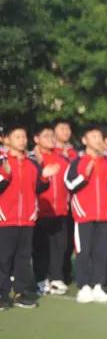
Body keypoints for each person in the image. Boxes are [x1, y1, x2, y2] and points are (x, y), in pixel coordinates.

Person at [0, 126, 50, 309]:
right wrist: (4, 174)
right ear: (7, 140)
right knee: (3, 258)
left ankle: (21, 293)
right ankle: (2, 294)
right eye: (17, 136)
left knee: (23, 258)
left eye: (24, 136)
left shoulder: (32, 164)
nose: (22, 140)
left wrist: (44, 178)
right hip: (5, 219)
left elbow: (38, 188)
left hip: (27, 219)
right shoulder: (2, 161)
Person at [65, 126, 107, 304]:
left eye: (99, 136)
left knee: (101, 252)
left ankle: (98, 286)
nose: (97, 139)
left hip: (104, 215)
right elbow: (70, 184)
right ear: (85, 140)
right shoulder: (78, 161)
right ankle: (84, 286)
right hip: (84, 215)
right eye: (93, 136)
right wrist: (84, 175)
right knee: (83, 252)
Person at [31, 125, 72, 295]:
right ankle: (41, 279)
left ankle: (56, 277)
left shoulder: (62, 160)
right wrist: (41, 169)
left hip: (60, 210)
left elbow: (69, 183)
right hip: (41, 211)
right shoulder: (33, 160)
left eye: (51, 136)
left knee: (59, 247)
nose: (50, 139)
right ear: (36, 139)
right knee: (41, 248)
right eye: (46, 136)